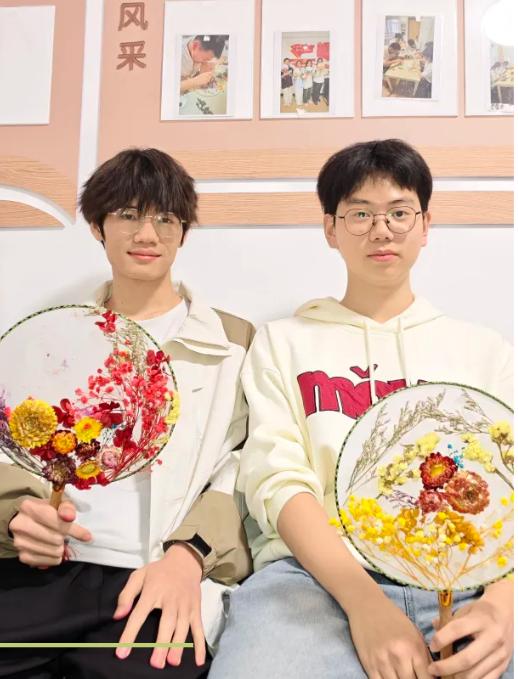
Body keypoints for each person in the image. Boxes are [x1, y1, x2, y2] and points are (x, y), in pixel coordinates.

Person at [209, 139, 514, 679]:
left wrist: (502, 603)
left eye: (399, 212)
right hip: (311, 582)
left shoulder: (485, 351)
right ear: (330, 228)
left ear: (425, 225)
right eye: (360, 214)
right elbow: (277, 480)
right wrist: (365, 604)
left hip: (467, 580)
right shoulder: (283, 342)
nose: (382, 230)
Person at [0, 148, 253, 678]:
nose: (147, 234)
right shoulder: (53, 333)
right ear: (98, 226)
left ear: (184, 232)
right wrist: (17, 515)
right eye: (129, 215)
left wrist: (190, 555)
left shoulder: (232, 343)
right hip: (48, 567)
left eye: (166, 219)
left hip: (155, 574)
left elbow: (241, 465)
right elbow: (10, 447)